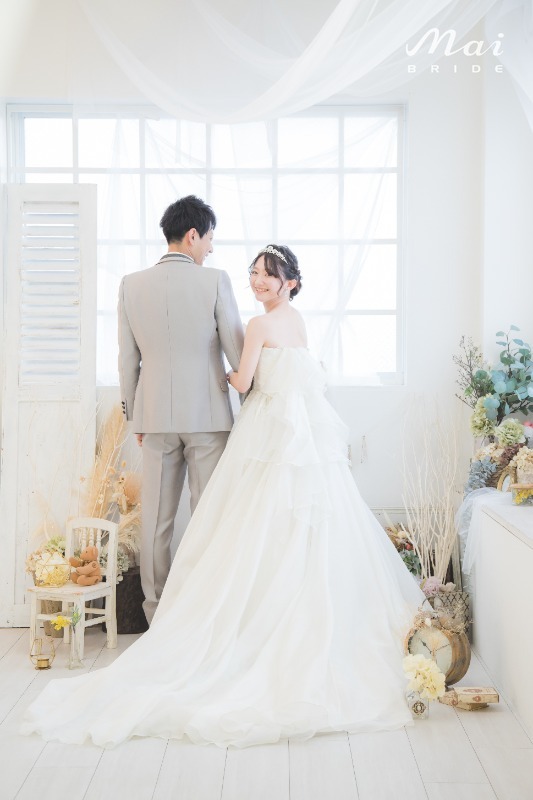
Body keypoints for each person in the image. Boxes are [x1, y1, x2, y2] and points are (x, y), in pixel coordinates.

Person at [20, 244, 426, 749]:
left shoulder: (257, 325)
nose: (257, 282)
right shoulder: (297, 322)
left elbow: (244, 380)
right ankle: (292, 622)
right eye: (254, 273)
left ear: (290, 282)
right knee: (297, 528)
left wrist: (222, 375)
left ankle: (205, 620)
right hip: (303, 437)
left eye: (268, 275)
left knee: (241, 526)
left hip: (266, 434)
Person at [117, 195, 244, 623]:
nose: (211, 247)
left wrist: (135, 415)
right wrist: (252, 407)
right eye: (209, 239)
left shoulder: (131, 285)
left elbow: (127, 360)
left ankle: (157, 614)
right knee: (208, 516)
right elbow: (236, 353)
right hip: (209, 419)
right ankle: (205, 612)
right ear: (192, 235)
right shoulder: (215, 281)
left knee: (155, 521)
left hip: (154, 418)